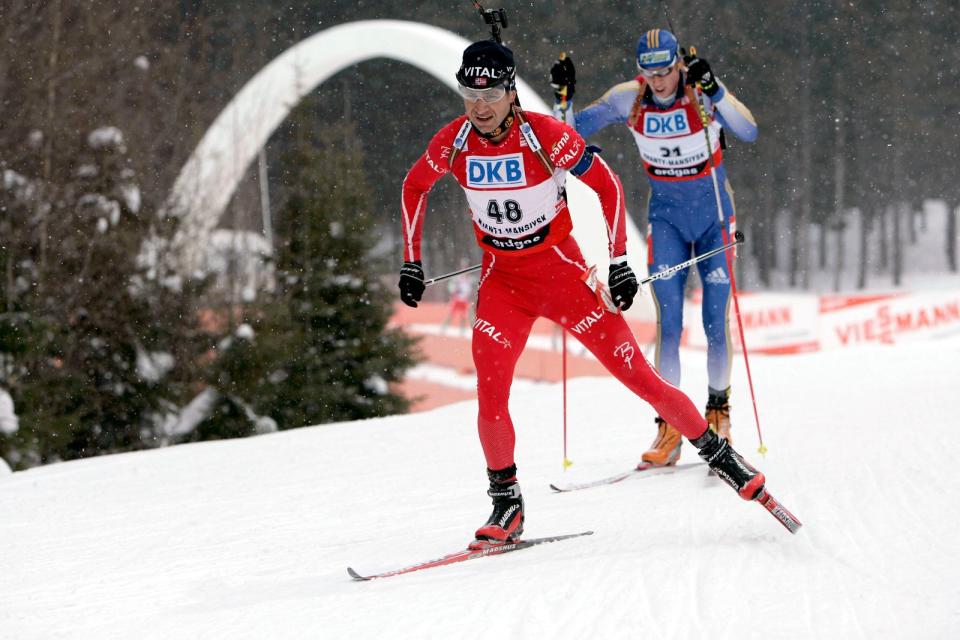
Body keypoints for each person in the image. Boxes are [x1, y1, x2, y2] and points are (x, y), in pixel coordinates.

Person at [399, 38, 766, 548]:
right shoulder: (454, 142)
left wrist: (617, 261)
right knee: (491, 393)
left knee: (639, 376)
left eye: (489, 94)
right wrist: (411, 261)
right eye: (468, 94)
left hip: (564, 278)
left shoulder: (543, 135)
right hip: (503, 285)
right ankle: (507, 506)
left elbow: (608, 185)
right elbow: (413, 186)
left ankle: (720, 454)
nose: (479, 107)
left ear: (510, 92)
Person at [556, 28, 758, 468]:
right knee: (669, 322)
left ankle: (718, 410)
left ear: (680, 66)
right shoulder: (628, 98)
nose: (660, 81)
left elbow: (749, 130)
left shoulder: (700, 94)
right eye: (651, 73)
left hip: (714, 217)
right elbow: (567, 136)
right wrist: (563, 98)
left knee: (714, 321)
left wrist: (715, 89)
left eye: (667, 71)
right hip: (666, 218)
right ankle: (670, 425)